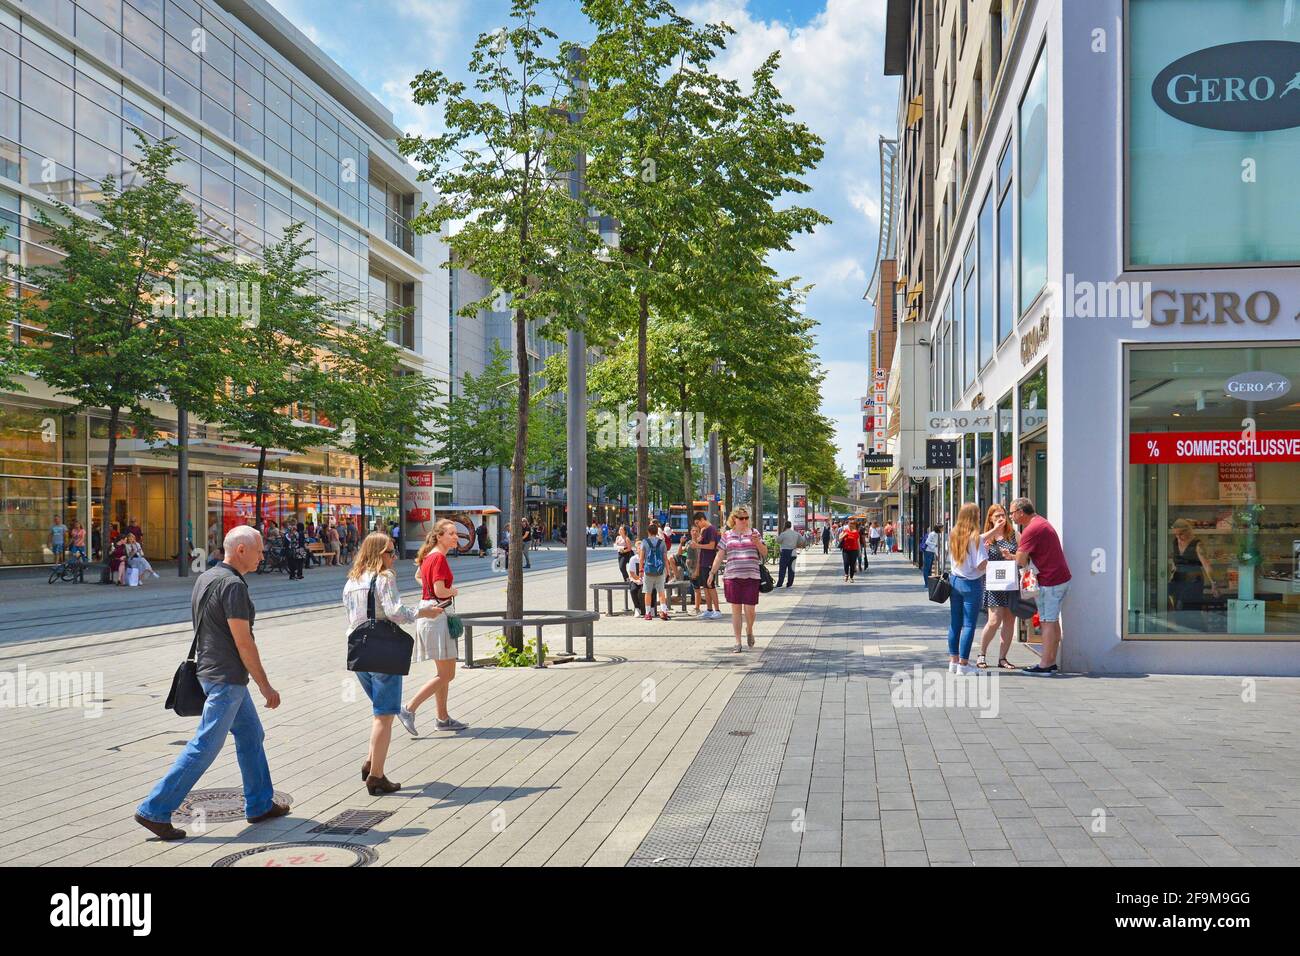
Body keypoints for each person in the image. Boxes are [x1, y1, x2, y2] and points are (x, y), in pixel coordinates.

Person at [135, 526, 288, 839]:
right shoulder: (233, 586)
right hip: (226, 677)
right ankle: (155, 809)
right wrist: (265, 686)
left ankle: (259, 803)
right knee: (205, 745)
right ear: (241, 550)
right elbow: (243, 641)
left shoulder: (208, 577)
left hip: (211, 671)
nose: (263, 555)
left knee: (250, 733)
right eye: (259, 550)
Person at [342, 532, 443, 795]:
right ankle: (376, 777)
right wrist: (423, 611)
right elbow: (394, 613)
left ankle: (369, 762)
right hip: (382, 650)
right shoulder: (384, 577)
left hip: (359, 651)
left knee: (379, 712)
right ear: (377, 554)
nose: (394, 556)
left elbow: (351, 617)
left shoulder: (352, 580)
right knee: (384, 715)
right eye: (389, 552)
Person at [1010, 497, 1072, 675]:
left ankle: (1045, 665)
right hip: (1058, 579)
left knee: (1047, 622)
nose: (1011, 516)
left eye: (1012, 512)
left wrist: (1013, 557)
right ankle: (1051, 660)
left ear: (1021, 512)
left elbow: (1021, 560)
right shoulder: (1041, 522)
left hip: (1050, 582)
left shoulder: (1031, 529)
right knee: (1052, 621)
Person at [946, 503, 1006, 675]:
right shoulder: (976, 539)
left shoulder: (954, 534)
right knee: (969, 624)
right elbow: (980, 566)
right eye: (978, 514)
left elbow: (978, 539)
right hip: (972, 584)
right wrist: (986, 555)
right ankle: (964, 665)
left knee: (955, 623)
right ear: (973, 517)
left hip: (954, 581)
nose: (980, 517)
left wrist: (994, 530)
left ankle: (954, 662)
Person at [709, 506, 767, 652]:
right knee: (736, 610)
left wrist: (757, 543)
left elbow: (765, 552)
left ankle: (749, 629)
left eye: (747, 518)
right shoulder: (727, 535)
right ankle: (738, 642)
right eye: (742, 518)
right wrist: (712, 573)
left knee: (750, 610)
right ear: (734, 519)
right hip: (732, 576)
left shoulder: (755, 533)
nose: (745, 521)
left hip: (751, 576)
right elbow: (720, 555)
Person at [976, 504, 1019, 671]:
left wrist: (1013, 557)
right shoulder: (987, 538)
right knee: (994, 621)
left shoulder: (1014, 535)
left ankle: (1002, 658)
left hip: (1011, 583)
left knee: (1009, 621)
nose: (1001, 518)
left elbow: (1024, 556)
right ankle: (982, 653)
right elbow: (978, 563)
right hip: (994, 584)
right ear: (990, 519)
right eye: (997, 516)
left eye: (1003, 515)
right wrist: (984, 551)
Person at [1169, 518, 1220, 616]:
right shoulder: (1175, 542)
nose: (1178, 537)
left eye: (1181, 534)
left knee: (1189, 610)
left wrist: (1214, 584)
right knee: (1177, 611)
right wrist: (1171, 577)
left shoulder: (1198, 544)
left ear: (1188, 531)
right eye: (1176, 534)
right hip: (1178, 579)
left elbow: (1206, 565)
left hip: (1193, 580)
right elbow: (1175, 562)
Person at [692, 512, 722, 619]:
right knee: (705, 586)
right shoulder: (704, 530)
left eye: (697, 523)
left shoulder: (711, 529)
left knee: (711, 586)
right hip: (704, 561)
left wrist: (698, 545)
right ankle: (709, 609)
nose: (697, 525)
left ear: (702, 519)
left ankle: (717, 609)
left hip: (710, 561)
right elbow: (701, 547)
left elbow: (712, 546)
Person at [639, 523, 671, 621]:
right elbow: (665, 559)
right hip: (660, 571)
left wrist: (641, 570)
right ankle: (664, 612)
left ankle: (648, 614)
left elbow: (641, 558)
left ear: (648, 532)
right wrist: (668, 571)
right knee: (661, 592)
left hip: (648, 571)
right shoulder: (661, 543)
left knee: (648, 593)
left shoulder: (644, 542)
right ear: (657, 532)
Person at [776, 520, 800, 588]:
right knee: (791, 569)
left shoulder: (783, 534)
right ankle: (789, 584)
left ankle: (780, 583)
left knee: (782, 568)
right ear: (791, 526)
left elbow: (778, 541)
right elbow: (802, 541)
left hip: (785, 552)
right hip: (793, 552)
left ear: (785, 526)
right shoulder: (796, 533)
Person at [626, 541, 645, 616]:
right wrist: (638, 579)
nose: (640, 550)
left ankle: (651, 608)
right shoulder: (633, 559)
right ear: (636, 550)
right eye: (639, 548)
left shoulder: (646, 558)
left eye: (642, 548)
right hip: (635, 579)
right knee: (633, 589)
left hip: (646, 580)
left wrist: (643, 579)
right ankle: (637, 608)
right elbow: (632, 573)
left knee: (652, 589)